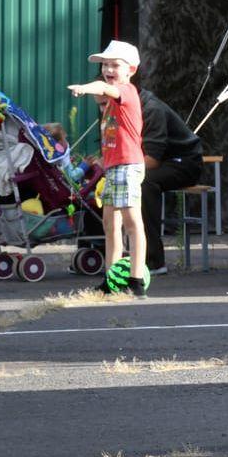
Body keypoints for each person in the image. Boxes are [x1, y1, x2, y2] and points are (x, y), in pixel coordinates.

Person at [68, 40, 147, 297]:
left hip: (128, 166)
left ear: (131, 70)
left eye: (115, 65)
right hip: (114, 167)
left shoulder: (127, 91)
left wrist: (83, 88)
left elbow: (102, 87)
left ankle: (136, 280)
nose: (108, 69)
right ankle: (111, 280)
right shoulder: (110, 102)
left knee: (132, 223)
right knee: (110, 223)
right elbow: (103, 91)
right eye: (105, 65)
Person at [137, 88, 204, 276]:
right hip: (161, 162)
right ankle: (101, 251)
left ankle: (153, 261)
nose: (103, 109)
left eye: (105, 103)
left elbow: (152, 160)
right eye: (100, 105)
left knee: (142, 182)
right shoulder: (116, 110)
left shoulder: (151, 110)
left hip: (184, 162)